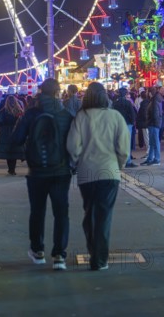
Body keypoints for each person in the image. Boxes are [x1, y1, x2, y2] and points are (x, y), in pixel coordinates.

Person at [67, 82, 130, 271]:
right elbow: (124, 148)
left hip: (87, 173)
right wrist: (119, 164)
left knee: (89, 213)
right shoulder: (115, 117)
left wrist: (78, 160)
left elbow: (72, 146)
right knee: (104, 216)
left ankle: (93, 249)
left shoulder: (81, 117)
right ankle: (100, 258)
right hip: (109, 172)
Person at [13, 78, 73, 271]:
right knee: (61, 213)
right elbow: (72, 143)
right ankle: (59, 256)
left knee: (37, 211)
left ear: (41, 92)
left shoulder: (31, 113)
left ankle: (37, 251)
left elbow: (16, 139)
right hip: (61, 170)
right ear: (58, 92)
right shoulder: (66, 114)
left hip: (37, 170)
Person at [0, 95, 24, 175]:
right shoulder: (19, 111)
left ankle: (10, 169)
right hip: (16, 131)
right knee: (14, 150)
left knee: (8, 151)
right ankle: (13, 169)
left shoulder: (3, 111)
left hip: (5, 132)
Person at [141, 85, 164, 166]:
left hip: (153, 123)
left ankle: (156, 159)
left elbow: (155, 113)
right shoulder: (156, 99)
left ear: (150, 93)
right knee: (152, 142)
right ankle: (150, 158)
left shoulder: (154, 101)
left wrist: (151, 121)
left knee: (155, 142)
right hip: (154, 123)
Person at [112, 87, 137, 168]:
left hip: (118, 124)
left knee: (118, 142)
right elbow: (132, 113)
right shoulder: (128, 103)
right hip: (127, 124)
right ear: (126, 94)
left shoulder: (115, 103)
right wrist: (133, 122)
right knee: (127, 142)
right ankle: (128, 161)